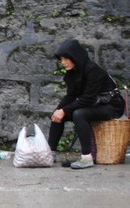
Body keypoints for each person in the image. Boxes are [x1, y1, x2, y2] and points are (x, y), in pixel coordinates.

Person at [48, 39, 125, 169]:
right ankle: (50, 154)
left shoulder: (93, 71)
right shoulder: (72, 73)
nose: (63, 62)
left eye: (66, 58)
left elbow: (87, 99)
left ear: (75, 56)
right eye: (61, 59)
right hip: (93, 105)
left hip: (111, 105)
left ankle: (86, 158)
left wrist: (64, 110)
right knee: (57, 115)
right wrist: (59, 110)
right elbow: (71, 96)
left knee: (79, 114)